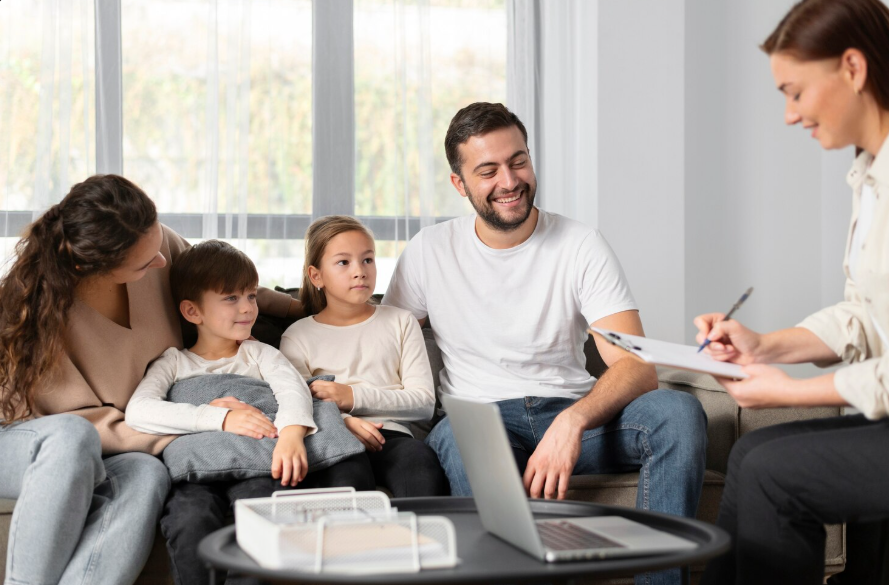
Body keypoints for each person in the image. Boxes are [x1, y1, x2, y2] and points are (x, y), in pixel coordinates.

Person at [382, 102, 707, 585]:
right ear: (459, 183)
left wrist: (573, 421)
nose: (509, 181)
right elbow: (380, 344)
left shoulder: (580, 244)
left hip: (573, 413)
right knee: (459, 439)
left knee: (679, 414)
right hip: (483, 420)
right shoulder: (430, 250)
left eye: (518, 161)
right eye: (488, 170)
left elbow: (639, 368)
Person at [0, 174, 318, 585]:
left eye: (158, 243)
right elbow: (84, 426)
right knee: (70, 438)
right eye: (145, 262)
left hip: (120, 439)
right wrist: (198, 421)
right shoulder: (36, 311)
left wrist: (299, 311)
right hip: (25, 437)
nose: (162, 262)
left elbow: (217, 281)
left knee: (148, 474)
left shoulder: (157, 245)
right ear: (92, 268)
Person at [695, 1, 889, 584]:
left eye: (795, 91)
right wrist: (764, 347)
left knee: (773, 474)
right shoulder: (871, 174)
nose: (787, 114)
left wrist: (789, 391)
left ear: (852, 68)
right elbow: (867, 317)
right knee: (754, 454)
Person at [125, 239, 372, 585]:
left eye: (252, 296)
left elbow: (293, 391)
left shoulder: (259, 354)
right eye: (231, 298)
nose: (247, 308)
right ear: (192, 312)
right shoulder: (174, 362)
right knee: (189, 519)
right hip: (196, 472)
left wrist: (290, 436)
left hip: (258, 463)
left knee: (265, 513)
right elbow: (139, 411)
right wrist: (220, 418)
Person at [280, 216, 449, 497]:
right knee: (346, 475)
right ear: (316, 276)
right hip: (333, 436)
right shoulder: (297, 336)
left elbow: (423, 403)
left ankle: (418, 540)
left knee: (419, 464)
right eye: (344, 262)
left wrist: (351, 396)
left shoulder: (402, 321)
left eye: (367, 259)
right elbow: (297, 406)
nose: (360, 271)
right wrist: (343, 421)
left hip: (392, 436)